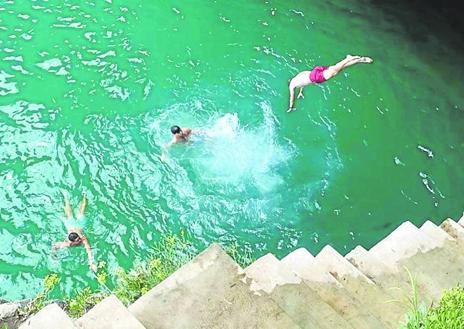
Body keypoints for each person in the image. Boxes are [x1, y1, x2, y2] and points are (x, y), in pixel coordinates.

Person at [287, 54, 373, 112]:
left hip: (315, 77)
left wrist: (291, 107)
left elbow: (292, 97)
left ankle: (348, 58)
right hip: (314, 71)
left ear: (290, 83)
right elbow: (303, 80)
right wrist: (301, 92)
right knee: (338, 69)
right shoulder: (296, 77)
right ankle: (360, 60)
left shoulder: (292, 86)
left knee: (335, 70)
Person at [52, 191, 97, 272]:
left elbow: (88, 249)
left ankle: (84, 195)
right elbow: (56, 245)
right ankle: (66, 197)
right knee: (69, 213)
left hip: (79, 225)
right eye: (78, 240)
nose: (80, 240)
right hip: (70, 225)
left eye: (79, 238)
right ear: (72, 241)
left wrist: (91, 263)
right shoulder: (68, 243)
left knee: (82, 210)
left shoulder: (83, 237)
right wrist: (53, 254)